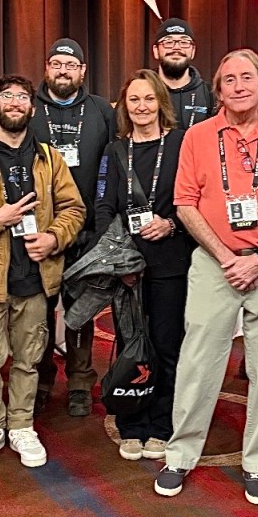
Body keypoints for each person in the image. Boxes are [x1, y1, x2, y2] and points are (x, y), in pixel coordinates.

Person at [153, 49, 258, 505]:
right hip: (214, 263)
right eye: (229, 79)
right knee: (198, 362)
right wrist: (227, 256)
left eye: (247, 78)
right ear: (218, 91)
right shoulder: (197, 137)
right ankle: (180, 455)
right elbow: (185, 204)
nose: (239, 86)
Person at [0, 75, 85, 470]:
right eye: (6, 96)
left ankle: (22, 424)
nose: (14, 102)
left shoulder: (48, 157)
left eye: (22, 97)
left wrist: (53, 238)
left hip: (35, 279)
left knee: (29, 358)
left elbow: (74, 209)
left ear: (32, 107)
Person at [94, 70, 191, 462]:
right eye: (134, 99)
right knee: (130, 344)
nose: (142, 106)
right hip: (128, 268)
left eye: (149, 98)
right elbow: (104, 207)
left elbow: (196, 199)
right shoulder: (115, 151)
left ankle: (162, 425)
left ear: (161, 102)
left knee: (167, 346)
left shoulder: (181, 143)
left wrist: (171, 224)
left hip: (171, 263)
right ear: (124, 105)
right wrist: (118, 259)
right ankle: (132, 424)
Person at [32, 39, 115, 417]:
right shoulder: (29, 108)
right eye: (56, 63)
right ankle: (41, 379)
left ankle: (80, 381)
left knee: (81, 309)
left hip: (87, 228)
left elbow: (114, 165)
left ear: (82, 71)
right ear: (46, 68)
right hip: (41, 231)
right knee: (39, 311)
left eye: (70, 65)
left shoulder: (101, 110)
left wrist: (104, 223)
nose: (63, 70)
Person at [152, 18, 215, 129]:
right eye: (168, 42)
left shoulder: (210, 95)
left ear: (193, 51)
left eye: (184, 42)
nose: (176, 47)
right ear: (156, 50)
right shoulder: (140, 92)